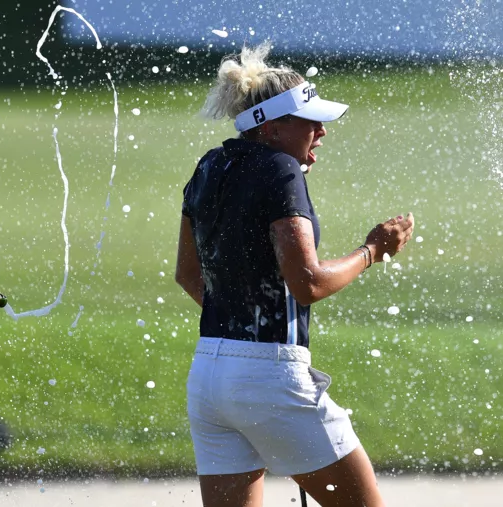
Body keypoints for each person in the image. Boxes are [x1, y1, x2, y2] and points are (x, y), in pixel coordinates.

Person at [175, 42, 414, 507]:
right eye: (311, 122)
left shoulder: (209, 166)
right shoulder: (282, 169)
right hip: (269, 378)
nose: (322, 131)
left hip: (208, 376)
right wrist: (373, 250)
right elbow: (308, 282)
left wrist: (245, 324)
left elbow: (188, 275)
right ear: (272, 125)